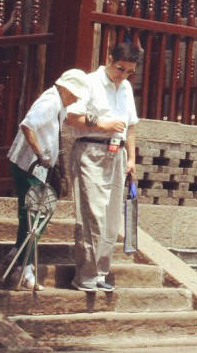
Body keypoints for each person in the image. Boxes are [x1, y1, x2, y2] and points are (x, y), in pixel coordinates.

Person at [6, 68, 92, 290]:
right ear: (65, 87)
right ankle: (24, 268)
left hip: (39, 167)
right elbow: (27, 125)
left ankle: (18, 254)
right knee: (35, 214)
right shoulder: (50, 101)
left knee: (36, 212)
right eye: (74, 93)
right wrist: (40, 153)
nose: (75, 98)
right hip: (28, 164)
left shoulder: (60, 105)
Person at [66, 42, 141, 292]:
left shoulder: (126, 87)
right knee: (92, 214)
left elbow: (130, 125)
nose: (123, 75)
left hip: (117, 153)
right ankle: (85, 274)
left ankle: (101, 271)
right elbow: (72, 117)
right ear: (109, 58)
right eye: (120, 69)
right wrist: (103, 125)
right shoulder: (89, 82)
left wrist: (131, 158)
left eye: (129, 71)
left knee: (111, 217)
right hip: (91, 149)